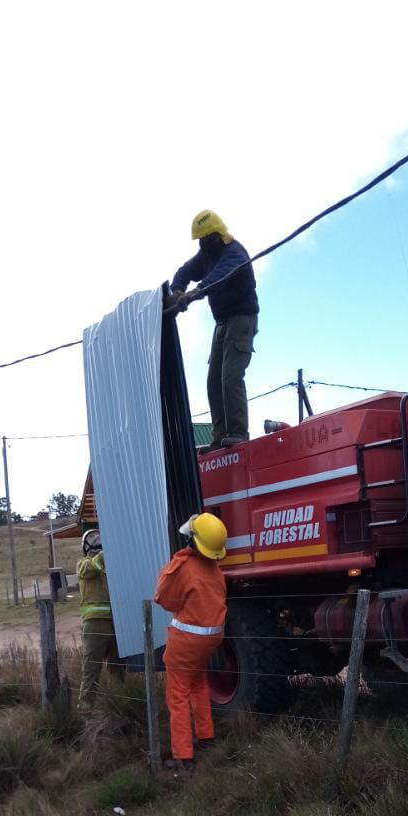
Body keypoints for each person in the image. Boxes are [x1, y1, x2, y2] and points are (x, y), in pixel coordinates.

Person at [169, 211, 259, 450]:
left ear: (215, 236)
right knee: (213, 382)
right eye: (199, 241)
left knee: (230, 378)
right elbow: (184, 271)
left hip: (241, 320)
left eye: (204, 239)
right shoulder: (207, 254)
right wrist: (178, 290)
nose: (201, 245)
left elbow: (217, 279)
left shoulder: (234, 254)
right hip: (221, 323)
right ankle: (220, 436)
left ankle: (238, 432)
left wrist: (193, 294)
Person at [154, 511, 228, 771]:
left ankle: (184, 755)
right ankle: (206, 736)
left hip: (186, 642)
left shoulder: (184, 566)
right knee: (198, 684)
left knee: (178, 695)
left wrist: (179, 559)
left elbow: (164, 599)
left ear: (194, 542)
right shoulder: (215, 570)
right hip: (210, 641)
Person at [77, 529, 123, 710]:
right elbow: (93, 566)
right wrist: (108, 552)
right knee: (91, 670)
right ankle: (86, 711)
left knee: (117, 669)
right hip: (94, 624)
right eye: (93, 539)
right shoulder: (83, 564)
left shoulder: (109, 568)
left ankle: (120, 706)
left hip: (115, 624)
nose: (96, 541)